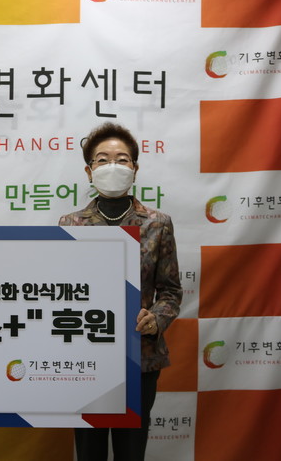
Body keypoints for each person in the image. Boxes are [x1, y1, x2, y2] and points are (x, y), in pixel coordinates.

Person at [58, 122, 182, 461]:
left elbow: (171, 291)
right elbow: (61, 290)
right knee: (89, 450)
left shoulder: (157, 223)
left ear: (135, 168)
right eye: (102, 159)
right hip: (86, 356)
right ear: (89, 171)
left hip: (139, 353)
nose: (112, 166)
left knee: (131, 450)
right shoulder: (70, 225)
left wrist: (156, 319)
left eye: (122, 159)